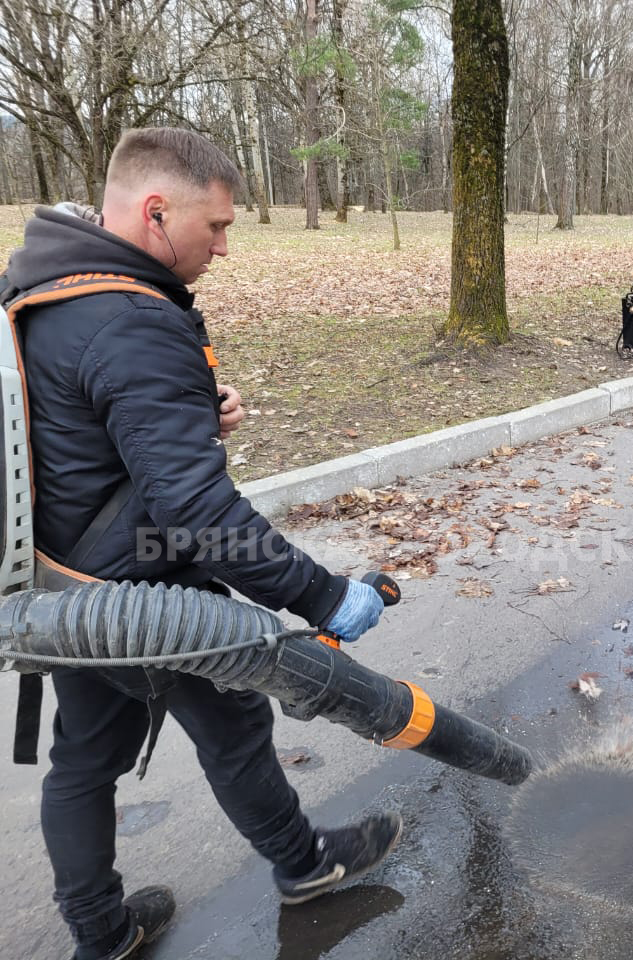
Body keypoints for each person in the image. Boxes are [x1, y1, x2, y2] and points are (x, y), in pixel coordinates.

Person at [3, 128, 400, 960]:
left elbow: (72, 418)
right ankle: (306, 866)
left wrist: (185, 415)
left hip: (63, 581)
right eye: (215, 227)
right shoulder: (130, 322)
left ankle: (101, 931)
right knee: (233, 725)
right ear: (156, 212)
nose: (224, 246)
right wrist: (327, 597)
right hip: (145, 596)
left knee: (85, 760)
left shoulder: (41, 283)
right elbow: (199, 517)